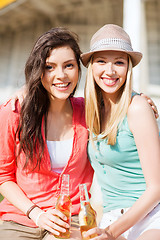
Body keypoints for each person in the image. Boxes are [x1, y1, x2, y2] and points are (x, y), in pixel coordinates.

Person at [0, 27, 94, 240]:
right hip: (21, 219)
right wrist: (36, 213)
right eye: (49, 67)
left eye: (68, 65)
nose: (61, 75)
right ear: (38, 71)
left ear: (78, 69)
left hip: (70, 220)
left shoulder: (90, 112)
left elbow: (120, 108)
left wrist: (141, 100)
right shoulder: (14, 112)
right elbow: (3, 175)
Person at [81, 24, 160, 240]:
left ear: (128, 68)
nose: (110, 71)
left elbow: (156, 188)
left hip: (151, 215)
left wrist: (110, 232)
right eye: (101, 61)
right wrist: (24, 90)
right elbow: (53, 97)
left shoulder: (137, 108)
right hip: (112, 217)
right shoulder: (89, 110)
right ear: (91, 66)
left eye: (119, 62)